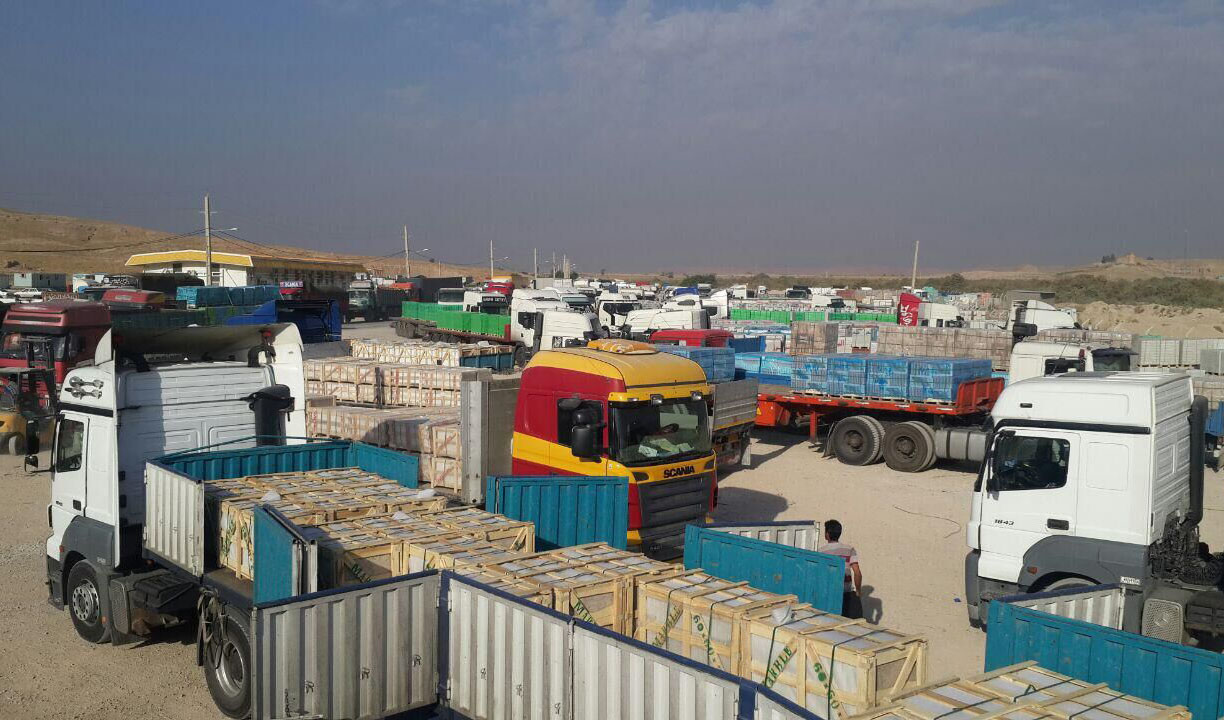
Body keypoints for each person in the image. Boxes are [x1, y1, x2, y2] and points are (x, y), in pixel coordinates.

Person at [819, 519, 863, 619]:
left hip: (830, 594)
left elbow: (820, 575)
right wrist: (858, 591)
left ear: (827, 534)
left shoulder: (821, 551)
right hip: (847, 594)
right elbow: (857, 572)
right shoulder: (849, 549)